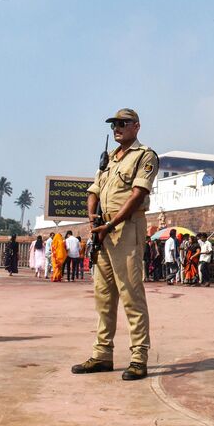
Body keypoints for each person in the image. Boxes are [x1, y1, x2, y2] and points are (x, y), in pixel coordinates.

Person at [72, 108, 159, 381]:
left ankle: (138, 357)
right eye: (114, 125)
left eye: (122, 124)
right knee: (104, 296)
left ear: (137, 126)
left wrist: (110, 224)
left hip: (126, 229)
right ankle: (102, 355)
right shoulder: (109, 160)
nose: (117, 128)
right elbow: (94, 190)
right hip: (103, 231)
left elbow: (137, 195)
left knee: (131, 294)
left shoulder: (145, 156)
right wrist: (92, 215)